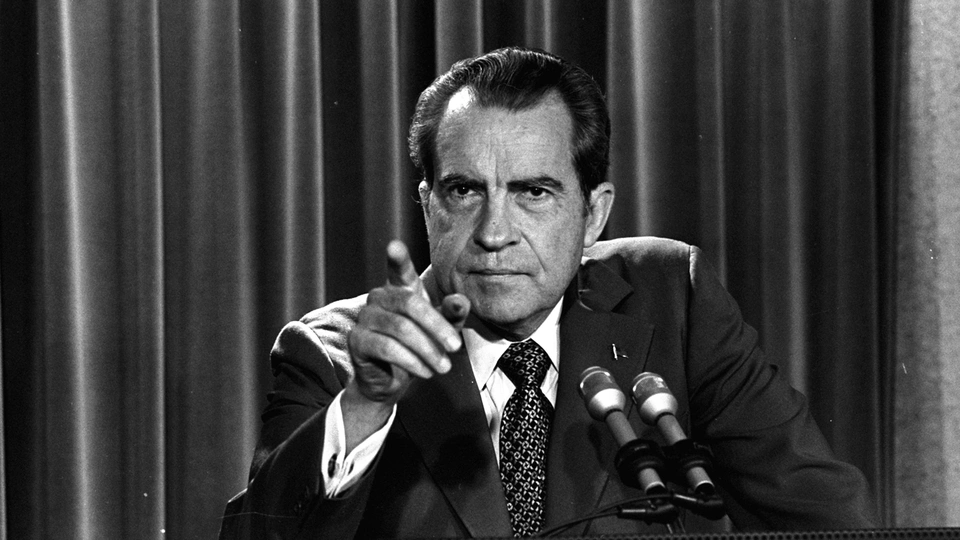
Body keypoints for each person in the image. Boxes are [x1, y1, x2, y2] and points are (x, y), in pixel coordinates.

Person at [219, 46, 878, 538]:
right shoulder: (334, 354)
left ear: (594, 214)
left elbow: (826, 514)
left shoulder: (671, 298)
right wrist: (365, 403)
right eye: (465, 191)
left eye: (533, 192)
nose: (494, 233)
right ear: (428, 207)